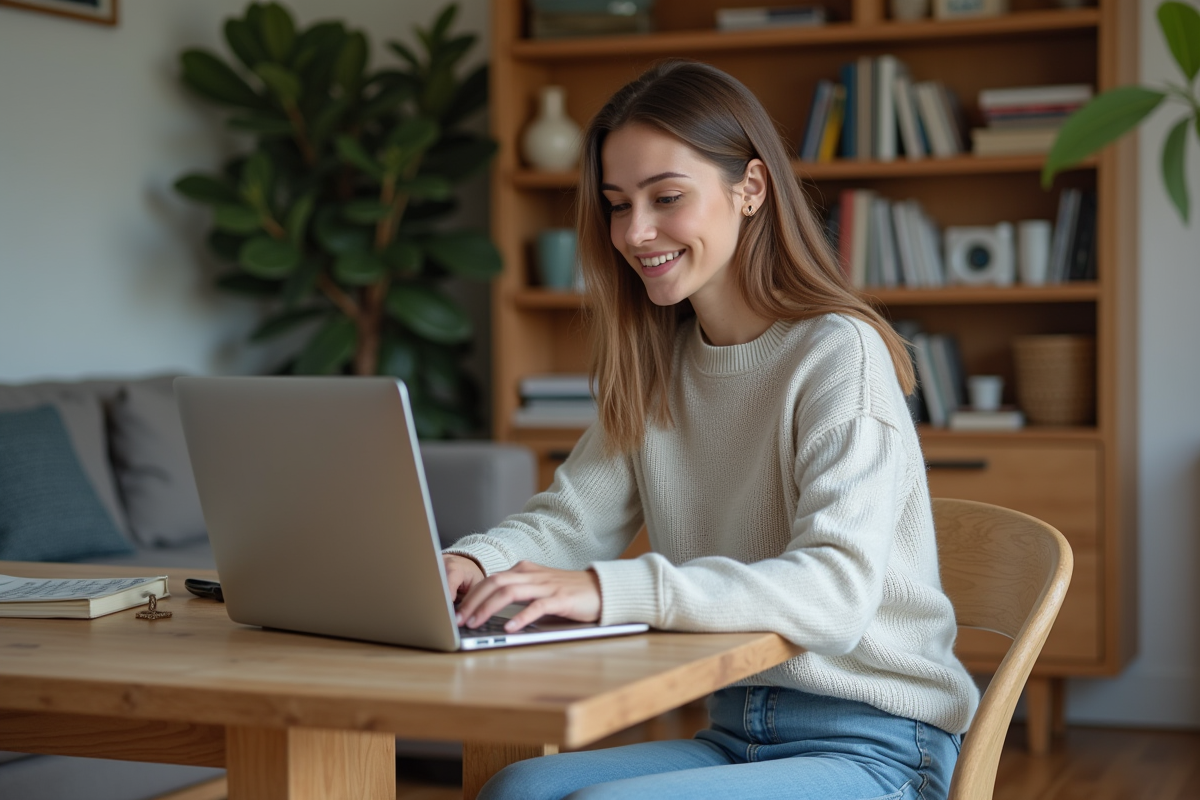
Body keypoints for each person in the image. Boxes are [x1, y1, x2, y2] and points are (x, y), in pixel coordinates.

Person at [442, 59, 979, 800]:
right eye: (617, 203)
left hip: (877, 744)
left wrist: (610, 591)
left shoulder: (838, 353)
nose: (636, 232)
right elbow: (570, 521)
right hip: (736, 729)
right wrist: (472, 564)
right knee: (518, 790)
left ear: (750, 188)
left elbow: (835, 591)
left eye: (666, 197)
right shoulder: (657, 360)